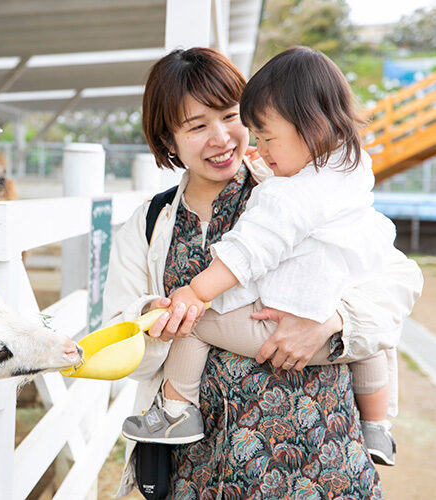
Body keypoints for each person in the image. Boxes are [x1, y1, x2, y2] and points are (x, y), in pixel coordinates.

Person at [104, 47, 423, 498]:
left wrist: (334, 323)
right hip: (204, 469)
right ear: (168, 139)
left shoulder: (295, 187)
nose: (222, 138)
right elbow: (120, 332)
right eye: (197, 126)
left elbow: (400, 281)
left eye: (230, 116)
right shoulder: (149, 224)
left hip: (323, 457)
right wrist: (152, 318)